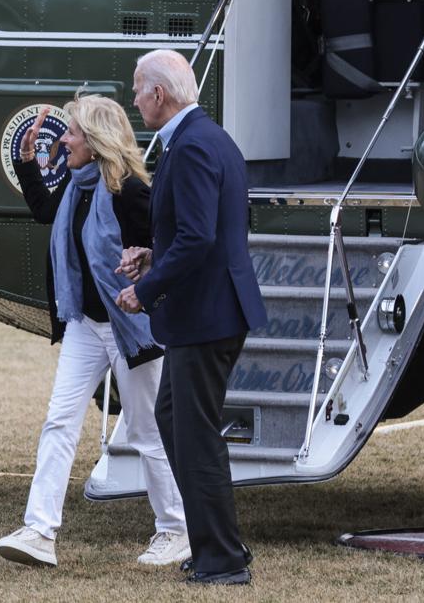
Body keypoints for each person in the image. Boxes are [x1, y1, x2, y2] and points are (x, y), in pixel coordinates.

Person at [0, 95, 189, 567]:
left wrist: (143, 274)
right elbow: (45, 210)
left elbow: (166, 249)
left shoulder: (130, 192)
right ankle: (39, 531)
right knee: (59, 421)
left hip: (131, 327)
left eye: (74, 133)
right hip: (86, 325)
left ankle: (177, 528)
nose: (64, 139)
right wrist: (26, 163)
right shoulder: (79, 185)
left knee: (147, 433)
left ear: (97, 141)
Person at [116, 49, 267, 586]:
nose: (134, 99)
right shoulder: (203, 137)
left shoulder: (194, 145)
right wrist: (152, 255)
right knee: (174, 420)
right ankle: (216, 545)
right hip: (206, 310)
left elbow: (200, 238)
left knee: (194, 433)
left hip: (207, 314)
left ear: (159, 94)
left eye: (137, 90)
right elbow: (199, 232)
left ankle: (222, 561)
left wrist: (145, 287)